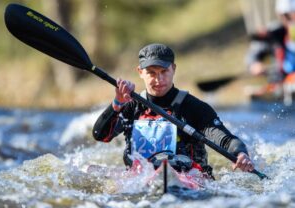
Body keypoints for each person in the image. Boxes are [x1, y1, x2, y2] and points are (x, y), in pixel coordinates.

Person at [93, 43, 254, 176]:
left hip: (189, 177)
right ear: (140, 72)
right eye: (151, 73)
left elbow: (225, 139)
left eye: (164, 72)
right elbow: (100, 135)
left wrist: (240, 154)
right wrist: (117, 104)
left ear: (174, 69)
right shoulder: (129, 106)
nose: (159, 79)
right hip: (141, 178)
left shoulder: (194, 107)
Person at [246, 0, 295, 97]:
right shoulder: (274, 33)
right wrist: (254, 64)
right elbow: (254, 53)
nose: (291, 20)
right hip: (281, 84)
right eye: (287, 16)